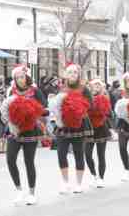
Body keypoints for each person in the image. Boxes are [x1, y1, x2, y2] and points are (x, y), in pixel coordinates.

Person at [0, 65, 47, 205]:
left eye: (22, 76)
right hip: (15, 130)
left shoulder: (35, 91)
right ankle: (19, 190)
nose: (20, 79)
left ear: (27, 77)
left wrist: (30, 109)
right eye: (17, 77)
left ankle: (32, 193)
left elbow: (44, 107)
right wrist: (10, 122)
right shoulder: (11, 92)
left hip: (31, 129)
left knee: (29, 162)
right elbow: (6, 109)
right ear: (14, 79)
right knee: (10, 159)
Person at [50, 63, 92, 194]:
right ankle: (65, 182)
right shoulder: (61, 89)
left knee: (79, 154)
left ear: (78, 74)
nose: (72, 74)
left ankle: (78, 184)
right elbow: (55, 105)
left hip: (78, 124)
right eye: (69, 72)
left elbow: (90, 104)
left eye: (74, 72)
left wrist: (78, 108)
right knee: (61, 154)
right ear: (65, 74)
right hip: (63, 125)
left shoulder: (84, 89)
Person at [85, 79, 112, 188]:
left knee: (101, 155)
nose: (96, 87)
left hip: (101, 128)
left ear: (101, 87)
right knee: (87, 154)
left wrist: (100, 110)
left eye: (98, 85)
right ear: (90, 87)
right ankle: (94, 176)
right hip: (89, 129)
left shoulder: (104, 98)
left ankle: (101, 178)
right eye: (94, 85)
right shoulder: (86, 98)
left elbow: (108, 112)